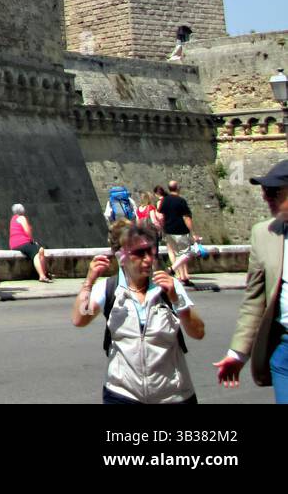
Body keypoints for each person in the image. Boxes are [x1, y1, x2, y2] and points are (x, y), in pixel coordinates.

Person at [71, 218, 204, 404]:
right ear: (121, 257)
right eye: (139, 253)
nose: (148, 259)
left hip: (173, 396)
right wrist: (89, 282)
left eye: (151, 251)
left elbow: (198, 332)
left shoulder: (168, 286)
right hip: (122, 395)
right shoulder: (110, 289)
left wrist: (176, 298)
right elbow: (79, 319)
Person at [214, 158, 288, 402]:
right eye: (264, 191)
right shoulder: (264, 234)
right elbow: (254, 300)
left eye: (273, 191)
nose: (265, 197)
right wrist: (237, 354)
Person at [158, 180, 199, 286]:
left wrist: (163, 228)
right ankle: (171, 269)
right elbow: (186, 217)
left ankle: (183, 277)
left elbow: (161, 216)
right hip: (180, 231)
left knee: (178, 255)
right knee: (187, 253)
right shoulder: (181, 201)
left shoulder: (165, 200)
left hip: (168, 231)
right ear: (178, 188)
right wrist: (193, 233)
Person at [9, 203, 53, 283]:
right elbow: (27, 231)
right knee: (38, 251)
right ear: (22, 211)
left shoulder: (13, 219)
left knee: (38, 250)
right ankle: (42, 275)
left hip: (14, 244)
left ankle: (44, 274)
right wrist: (32, 240)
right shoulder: (22, 218)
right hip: (23, 242)